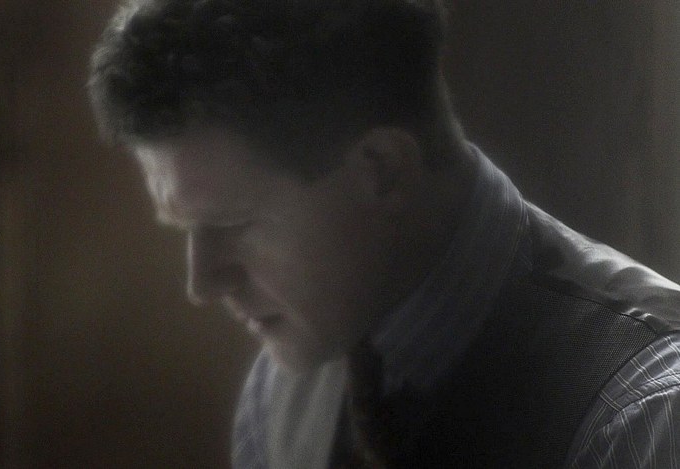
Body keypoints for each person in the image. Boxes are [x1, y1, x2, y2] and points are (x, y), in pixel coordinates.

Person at [87, 0, 680, 467]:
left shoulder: (643, 414)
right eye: (186, 231)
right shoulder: (281, 388)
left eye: (232, 225)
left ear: (382, 169)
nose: (202, 283)